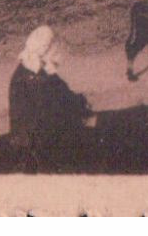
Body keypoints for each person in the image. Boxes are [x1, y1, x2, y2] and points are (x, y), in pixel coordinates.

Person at [8, 25, 95, 174]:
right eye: (54, 49)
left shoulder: (36, 70)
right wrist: (81, 112)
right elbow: (50, 111)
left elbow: (61, 90)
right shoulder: (34, 80)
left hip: (40, 139)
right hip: (38, 146)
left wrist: (79, 103)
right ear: (46, 51)